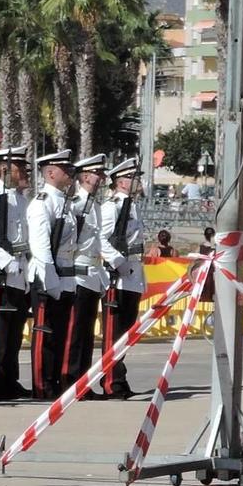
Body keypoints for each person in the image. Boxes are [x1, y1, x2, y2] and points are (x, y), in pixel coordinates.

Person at [26, 150, 76, 398]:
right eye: (64, 169)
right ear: (50, 172)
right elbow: (41, 247)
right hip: (48, 277)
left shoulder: (63, 202)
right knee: (45, 333)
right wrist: (51, 280)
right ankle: (41, 384)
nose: (69, 173)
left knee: (59, 334)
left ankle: (54, 380)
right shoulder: (43, 202)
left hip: (64, 276)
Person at [0, 147, 33, 400]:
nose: (25, 172)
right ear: (5, 170)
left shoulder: (21, 200)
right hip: (2, 275)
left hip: (18, 273)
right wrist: (4, 262)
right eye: (20, 168)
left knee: (14, 336)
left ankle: (9, 380)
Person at [98, 161, 147, 399]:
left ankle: (119, 377)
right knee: (114, 334)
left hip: (132, 276)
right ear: (121, 182)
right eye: (133, 177)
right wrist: (118, 262)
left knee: (125, 334)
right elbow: (101, 239)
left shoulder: (132, 206)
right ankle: (110, 381)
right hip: (117, 277)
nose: (138, 181)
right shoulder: (112, 207)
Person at [66, 157, 108, 387]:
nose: (100, 178)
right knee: (76, 333)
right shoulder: (76, 204)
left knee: (88, 334)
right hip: (78, 272)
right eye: (96, 174)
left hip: (93, 272)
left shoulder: (95, 206)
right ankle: (72, 379)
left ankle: (83, 381)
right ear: (84, 176)